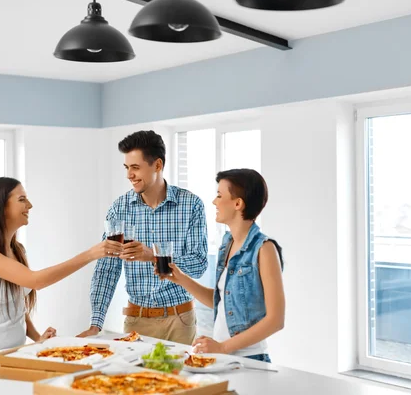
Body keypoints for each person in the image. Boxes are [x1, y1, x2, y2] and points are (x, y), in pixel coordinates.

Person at [77, 130, 208, 345]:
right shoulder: (119, 208)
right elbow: (107, 268)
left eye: (135, 167)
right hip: (136, 321)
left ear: (157, 165)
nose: (129, 174)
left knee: (180, 378)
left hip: (181, 321)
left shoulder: (191, 205)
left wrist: (154, 256)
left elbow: (199, 265)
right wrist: (96, 323)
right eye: (127, 168)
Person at [0, 177, 117, 350]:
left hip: (16, 353)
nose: (30, 205)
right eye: (22, 199)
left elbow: (17, 305)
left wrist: (38, 338)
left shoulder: (17, 250)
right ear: (0, 206)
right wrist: (90, 254)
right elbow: (36, 281)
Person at [158, 169, 285, 362]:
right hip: (221, 357)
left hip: (250, 359)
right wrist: (181, 279)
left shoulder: (264, 249)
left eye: (219, 195)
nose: (214, 201)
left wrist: (223, 347)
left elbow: (276, 321)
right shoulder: (227, 244)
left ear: (237, 203)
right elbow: (221, 301)